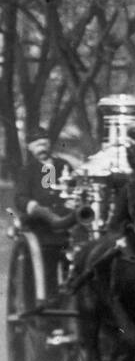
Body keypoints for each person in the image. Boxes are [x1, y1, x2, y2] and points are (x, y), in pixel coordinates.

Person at [13, 126, 75, 297]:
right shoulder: (28, 171)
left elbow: (74, 186)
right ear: (30, 148)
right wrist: (36, 208)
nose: (42, 148)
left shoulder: (64, 165)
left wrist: (73, 199)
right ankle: (46, 296)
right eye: (37, 145)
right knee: (47, 252)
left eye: (44, 143)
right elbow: (20, 198)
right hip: (42, 226)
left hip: (68, 221)